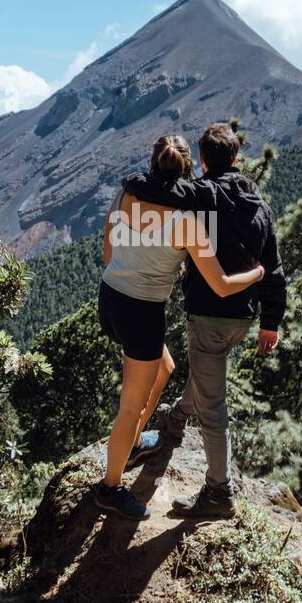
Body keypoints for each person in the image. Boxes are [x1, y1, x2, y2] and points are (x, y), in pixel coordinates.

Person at [94, 133, 266, 520]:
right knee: (130, 407)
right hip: (141, 313)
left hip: (110, 299)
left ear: (153, 163)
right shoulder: (187, 221)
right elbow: (221, 285)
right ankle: (110, 488)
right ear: (188, 170)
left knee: (165, 368)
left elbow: (107, 252)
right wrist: (256, 274)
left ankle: (135, 441)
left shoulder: (126, 196)